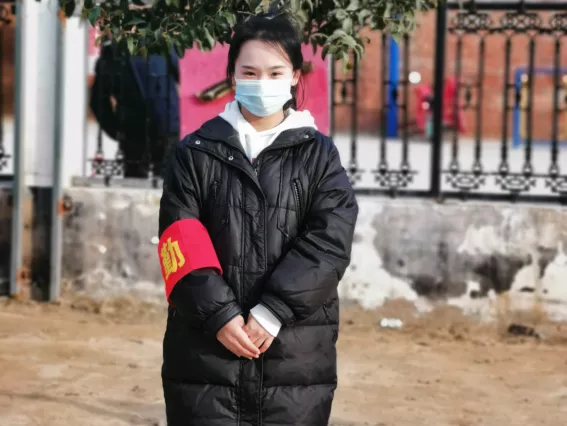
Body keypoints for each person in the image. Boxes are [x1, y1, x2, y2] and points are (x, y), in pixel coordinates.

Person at [158, 12, 358, 426]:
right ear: (232, 75)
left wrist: (273, 311)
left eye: (275, 72)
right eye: (249, 72)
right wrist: (219, 315)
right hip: (204, 354)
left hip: (295, 355)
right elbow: (179, 236)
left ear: (294, 77)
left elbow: (329, 242)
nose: (262, 82)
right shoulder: (194, 153)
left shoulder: (320, 156)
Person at [90, 40, 180, 178]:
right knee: (135, 184)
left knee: (170, 185)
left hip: (168, 132)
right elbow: (98, 102)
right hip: (134, 136)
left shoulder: (165, 45)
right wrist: (116, 130)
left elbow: (188, 79)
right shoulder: (111, 54)